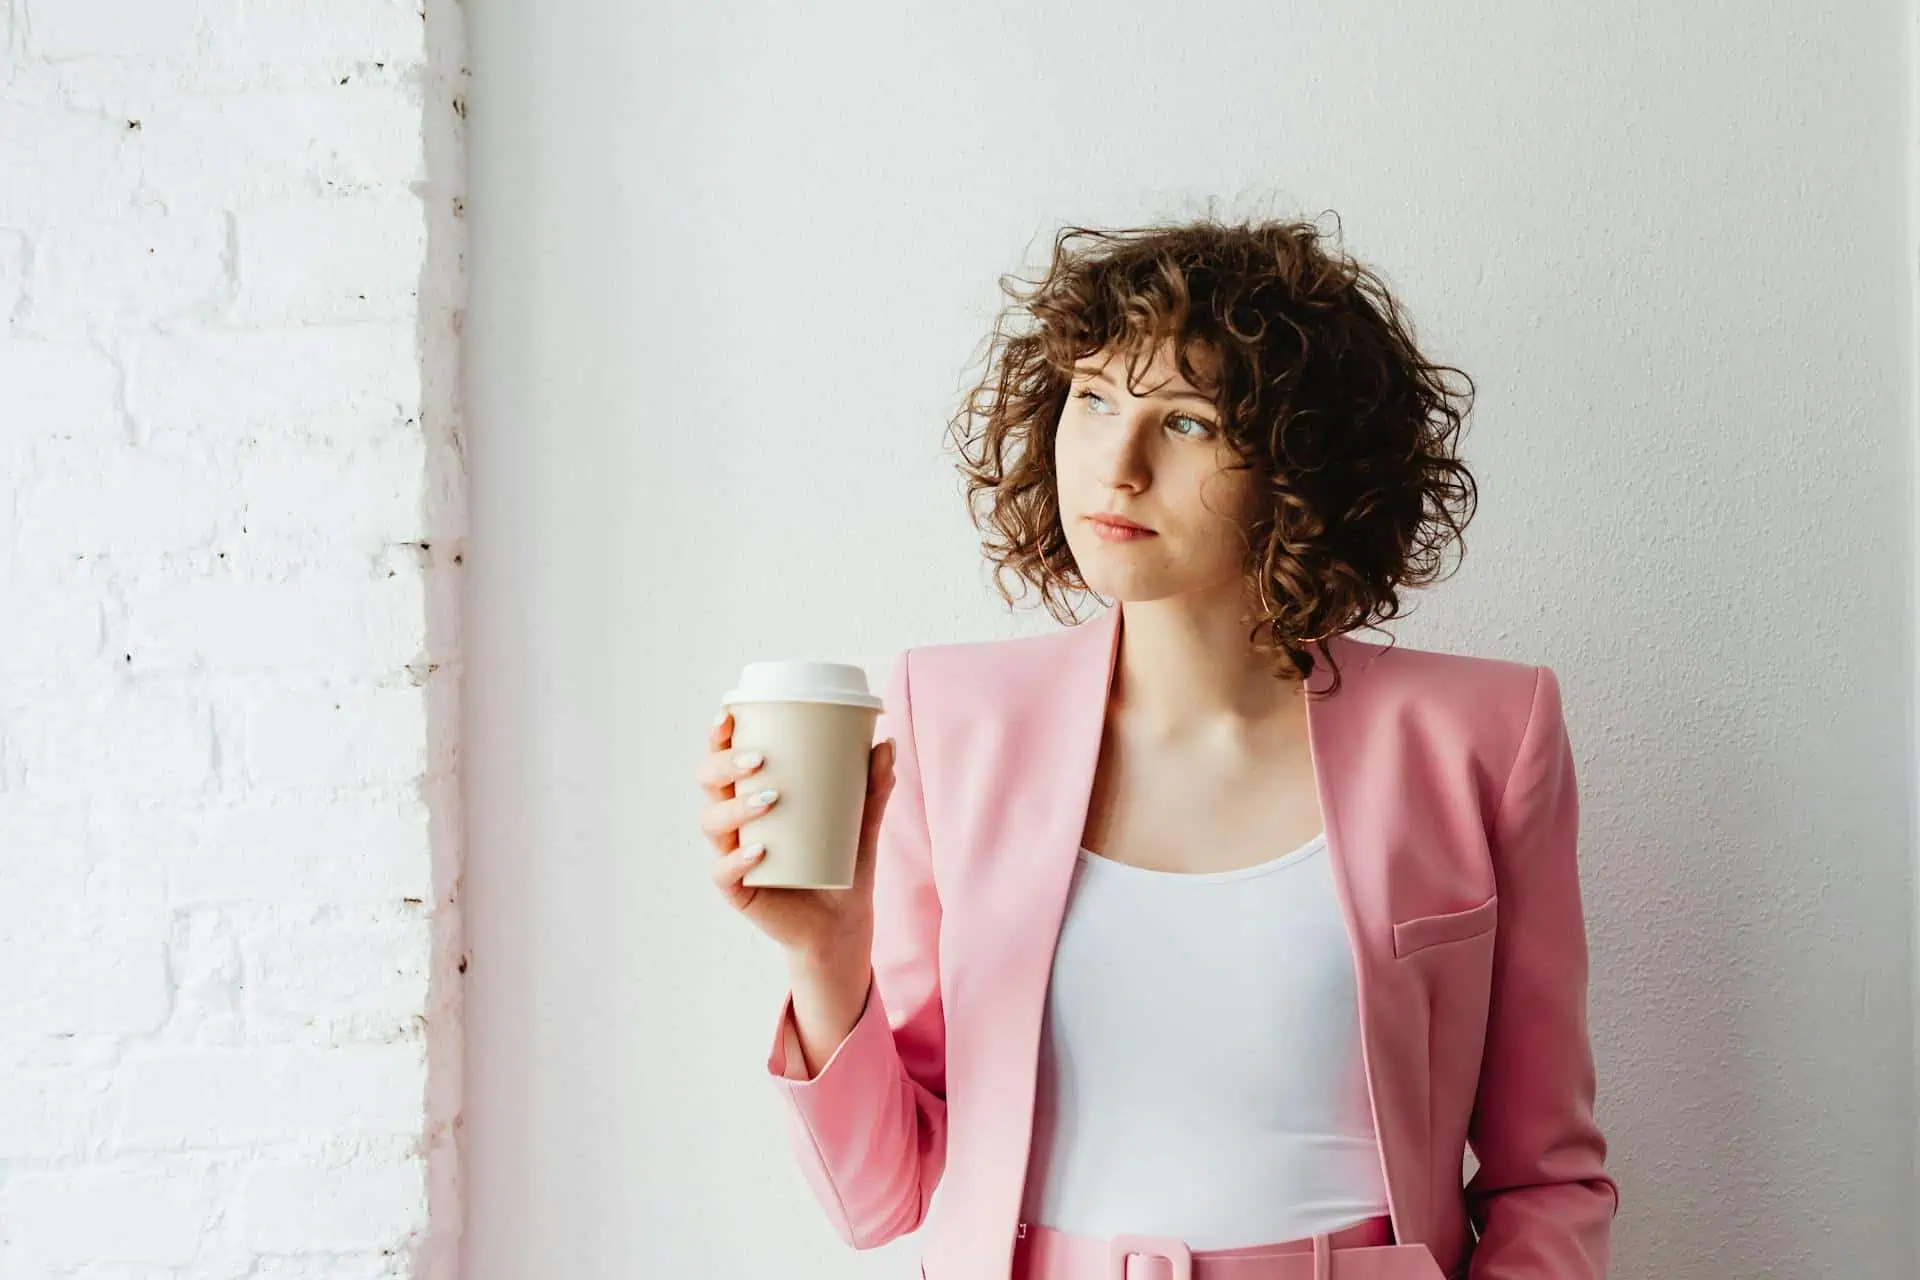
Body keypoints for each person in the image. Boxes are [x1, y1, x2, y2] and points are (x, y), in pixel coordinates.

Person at [696, 216, 1617, 1280]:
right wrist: (825, 949)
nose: (1117, 466)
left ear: (1300, 462)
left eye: (1184, 422)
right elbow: (883, 1197)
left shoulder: (1484, 740)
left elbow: (1547, 1176)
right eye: (1093, 399)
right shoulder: (950, 719)